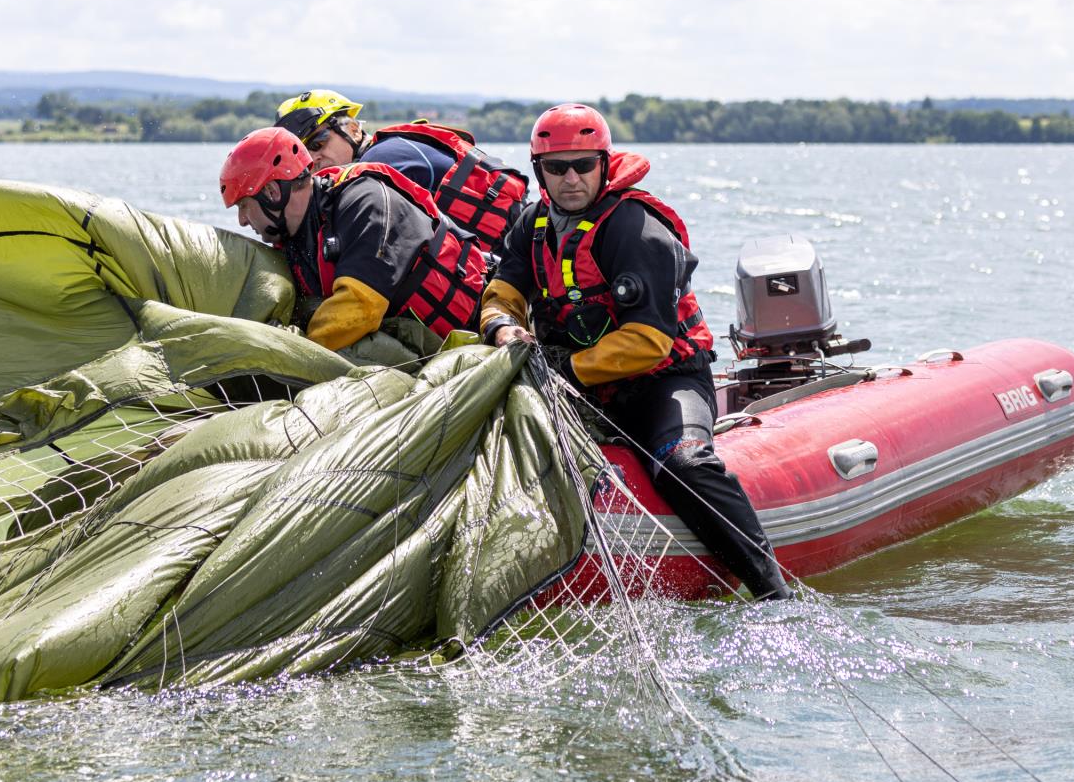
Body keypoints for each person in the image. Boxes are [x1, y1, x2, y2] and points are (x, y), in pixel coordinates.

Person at [479, 104, 793, 601]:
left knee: (684, 464)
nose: (571, 178)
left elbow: (649, 340)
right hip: (580, 386)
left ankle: (774, 593)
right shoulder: (532, 226)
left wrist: (567, 367)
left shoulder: (634, 228)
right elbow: (504, 292)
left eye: (583, 165)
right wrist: (500, 328)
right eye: (557, 167)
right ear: (539, 171)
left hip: (664, 382)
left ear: (604, 164)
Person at [220, 126, 486, 351]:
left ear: (271, 192)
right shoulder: (297, 236)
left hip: (476, 328)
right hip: (414, 339)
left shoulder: (365, 202)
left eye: (244, 205)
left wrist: (292, 348)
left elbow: (360, 309)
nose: (242, 220)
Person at [273, 90, 528, 256]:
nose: (313, 159)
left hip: (511, 251)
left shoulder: (381, 159)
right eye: (303, 153)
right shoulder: (375, 159)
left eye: (318, 143)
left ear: (351, 129)